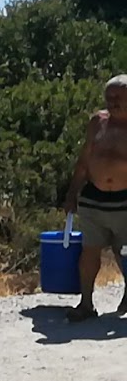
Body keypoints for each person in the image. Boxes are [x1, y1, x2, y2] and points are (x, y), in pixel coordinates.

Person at [64, 73, 127, 321]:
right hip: (93, 199)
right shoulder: (98, 122)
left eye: (119, 97)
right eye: (109, 97)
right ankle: (86, 304)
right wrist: (72, 195)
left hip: (125, 202)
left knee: (124, 254)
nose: (112, 102)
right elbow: (84, 162)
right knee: (89, 252)